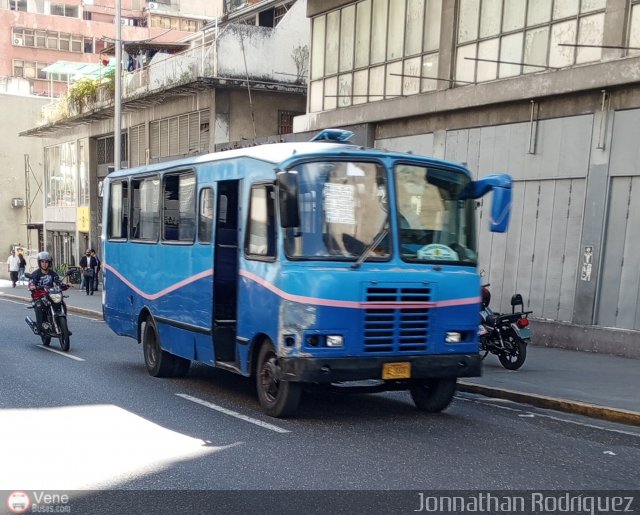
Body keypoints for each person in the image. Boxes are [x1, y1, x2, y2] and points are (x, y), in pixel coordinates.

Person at [28, 251, 68, 334]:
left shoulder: (53, 274)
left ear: (49, 263)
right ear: (39, 263)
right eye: (42, 261)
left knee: (62, 304)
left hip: (51, 295)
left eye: (46, 262)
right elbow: (31, 283)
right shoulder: (36, 274)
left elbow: (58, 283)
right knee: (38, 305)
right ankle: (39, 327)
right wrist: (33, 286)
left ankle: (64, 327)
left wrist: (66, 285)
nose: (44, 264)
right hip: (39, 296)